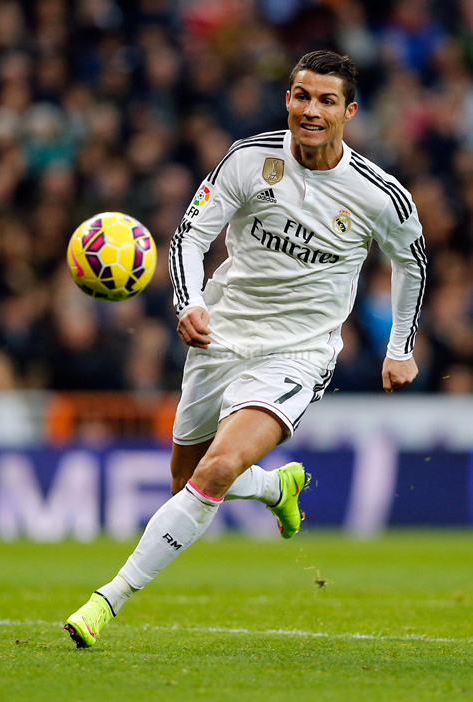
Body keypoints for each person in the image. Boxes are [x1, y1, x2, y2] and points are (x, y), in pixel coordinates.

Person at [64, 50, 426, 648]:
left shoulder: (379, 195)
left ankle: (107, 600)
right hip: (222, 335)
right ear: (288, 99)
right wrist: (188, 303)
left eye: (326, 101)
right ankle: (273, 487)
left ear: (350, 112)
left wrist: (400, 345)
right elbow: (189, 235)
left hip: (299, 352)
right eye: (302, 96)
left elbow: (412, 263)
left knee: (217, 467)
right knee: (188, 480)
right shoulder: (247, 159)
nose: (311, 110)